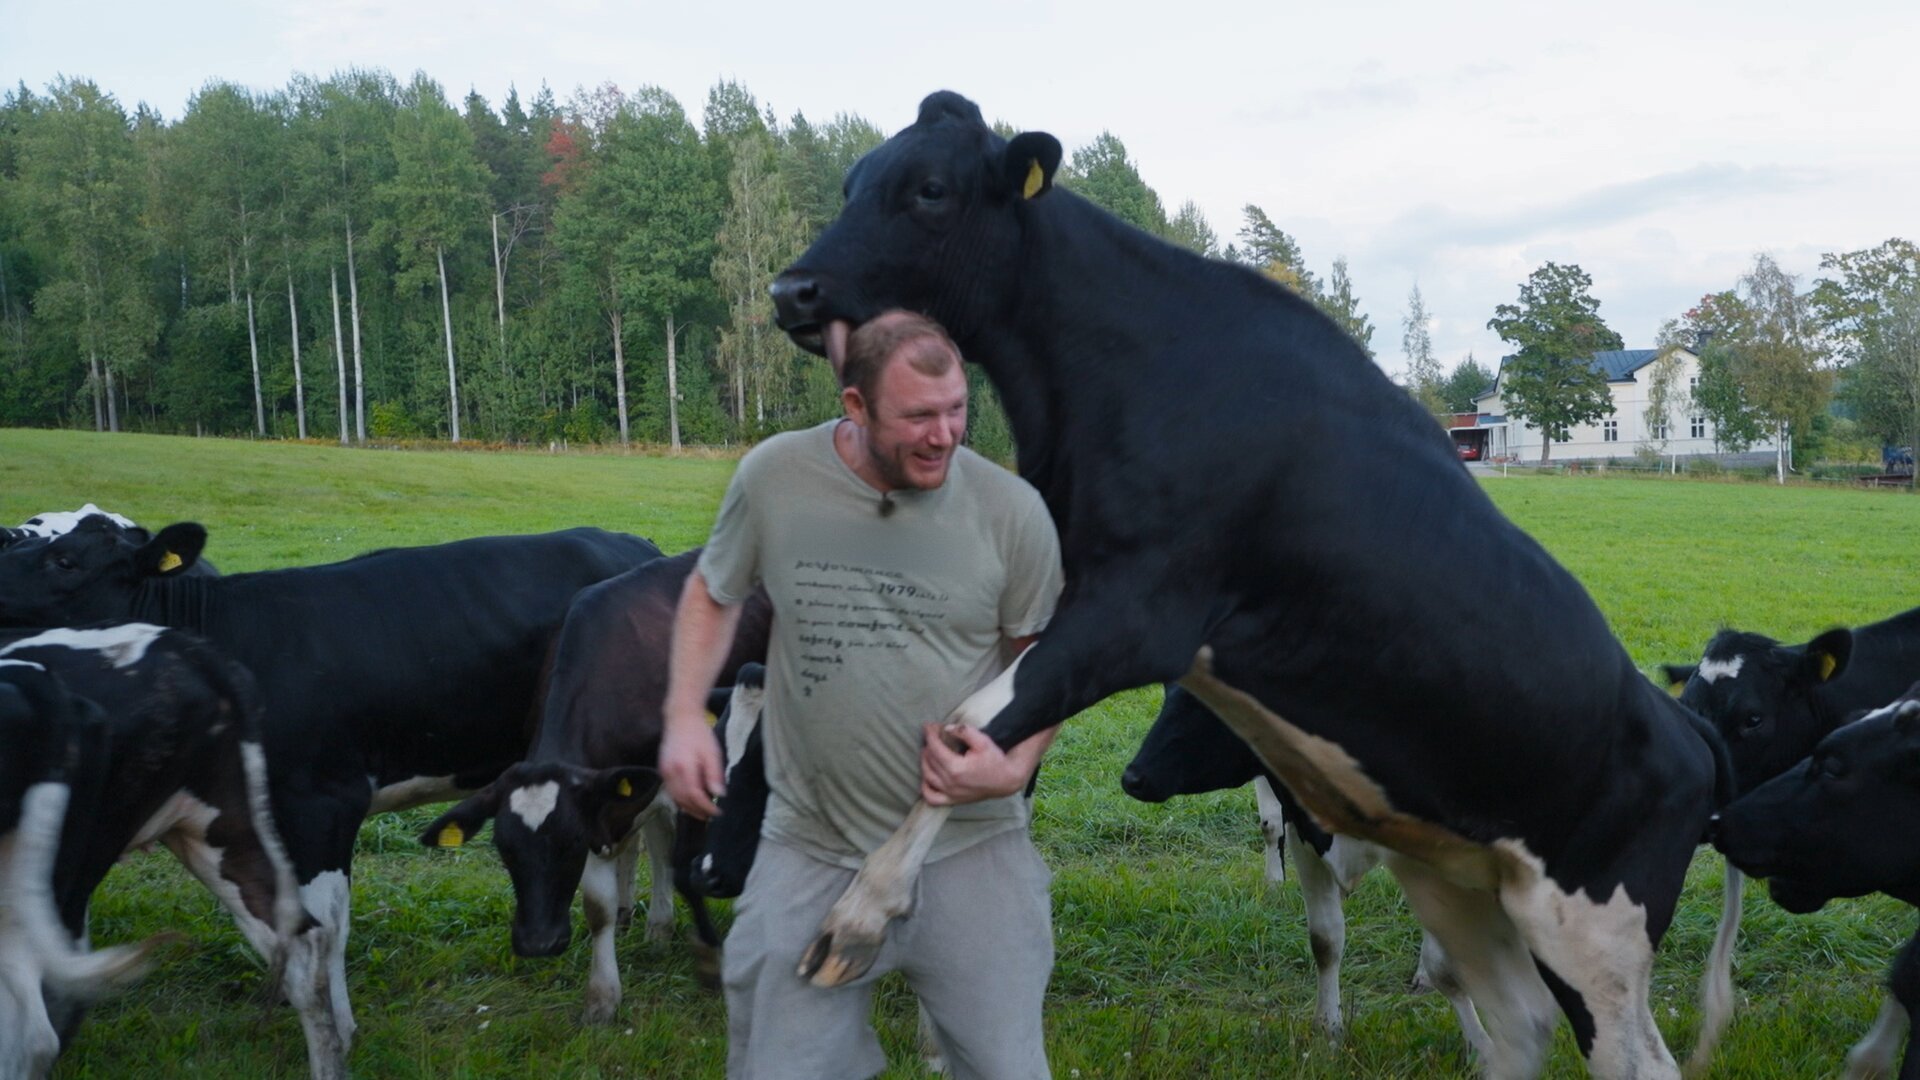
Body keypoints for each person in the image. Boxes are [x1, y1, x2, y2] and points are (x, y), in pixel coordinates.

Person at [660, 310, 1064, 1080]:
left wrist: (1014, 768)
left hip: (970, 852)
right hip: (807, 847)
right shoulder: (776, 478)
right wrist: (683, 715)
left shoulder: (1011, 513)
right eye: (918, 416)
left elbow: (1045, 661)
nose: (944, 435)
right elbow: (713, 594)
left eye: (956, 412)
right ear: (855, 406)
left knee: (1007, 1068)